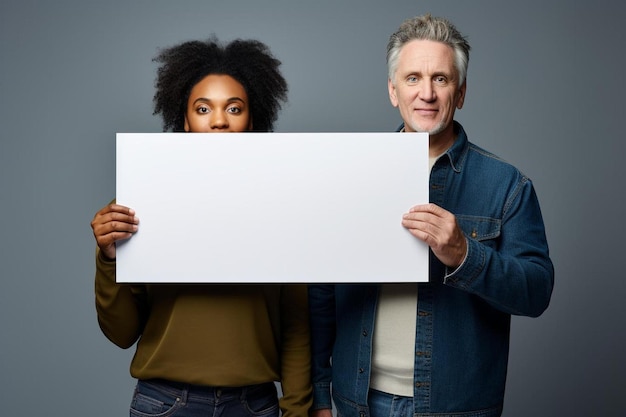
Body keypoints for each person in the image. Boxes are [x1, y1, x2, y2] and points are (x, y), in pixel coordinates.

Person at [308, 14, 554, 417]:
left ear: (460, 93)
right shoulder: (351, 177)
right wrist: (320, 394)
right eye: (412, 79)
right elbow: (321, 291)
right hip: (357, 402)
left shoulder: (508, 185)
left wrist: (465, 255)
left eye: (441, 79)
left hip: (456, 406)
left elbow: (537, 292)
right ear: (393, 91)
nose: (427, 93)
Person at [91, 37, 312, 417]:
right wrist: (109, 257)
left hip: (255, 404)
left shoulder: (280, 206)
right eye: (204, 108)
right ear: (186, 122)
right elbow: (122, 333)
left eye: (234, 108)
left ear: (252, 120)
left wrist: (295, 409)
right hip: (164, 403)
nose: (220, 120)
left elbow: (296, 326)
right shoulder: (142, 202)